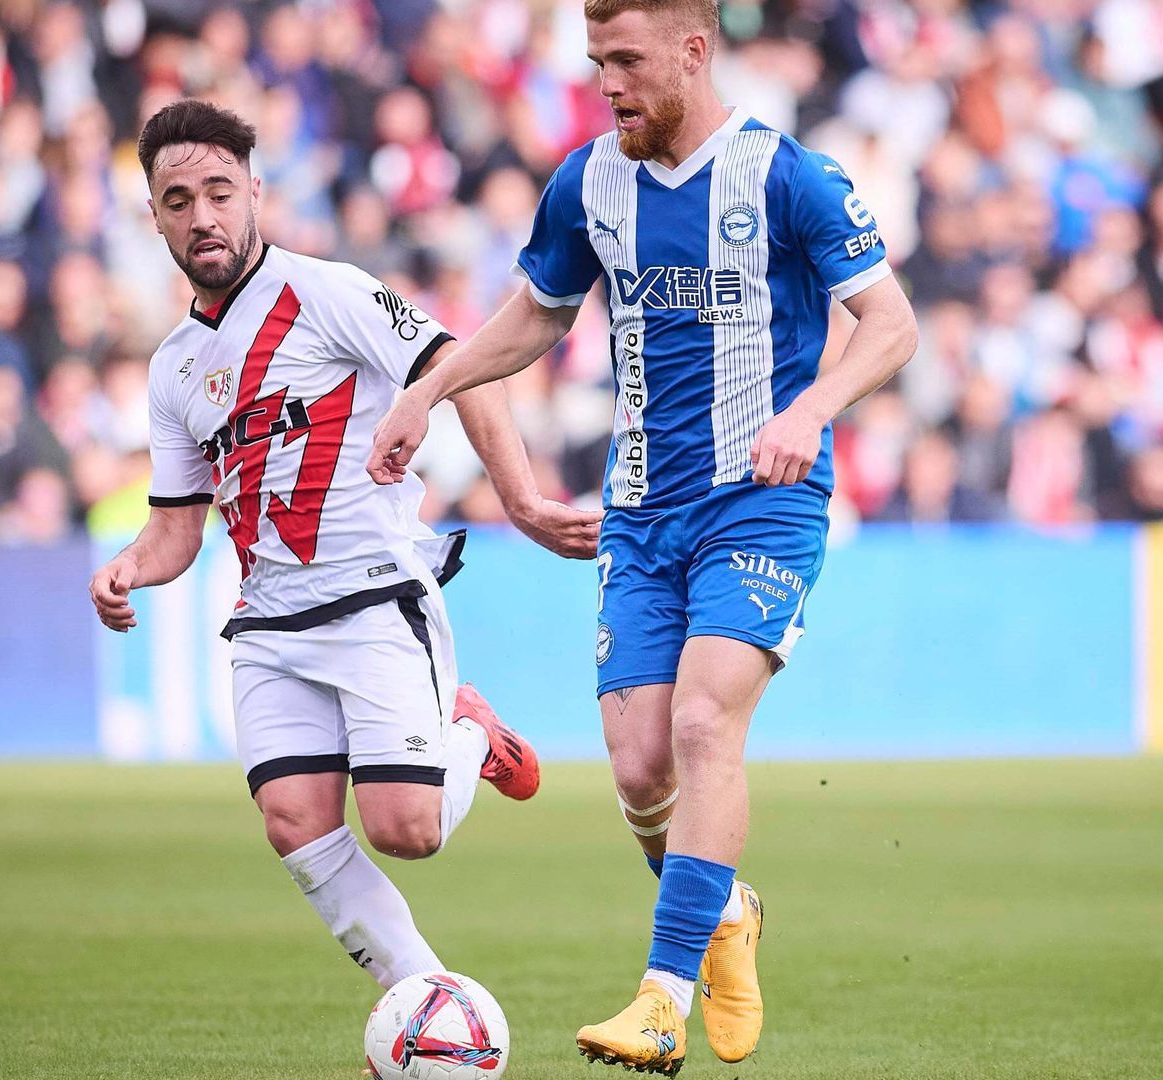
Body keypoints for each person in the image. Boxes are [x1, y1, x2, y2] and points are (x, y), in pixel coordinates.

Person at [368, 1, 918, 1072]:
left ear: (693, 51)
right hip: (641, 510)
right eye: (596, 62)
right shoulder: (589, 181)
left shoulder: (788, 177)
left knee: (706, 723)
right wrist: (428, 391)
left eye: (626, 60)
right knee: (639, 772)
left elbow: (891, 325)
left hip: (762, 499)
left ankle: (661, 1003)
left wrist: (811, 410)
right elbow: (537, 314)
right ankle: (726, 910)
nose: (607, 82)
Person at [87, 100, 599, 993]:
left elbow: (464, 368)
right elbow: (177, 526)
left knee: (408, 829)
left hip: (370, 595)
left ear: (255, 192)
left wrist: (520, 500)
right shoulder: (173, 368)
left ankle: (470, 732)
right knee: (295, 822)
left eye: (219, 192)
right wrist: (131, 566)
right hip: (269, 623)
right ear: (154, 217)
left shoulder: (328, 293)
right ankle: (428, 1007)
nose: (202, 216)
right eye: (178, 201)